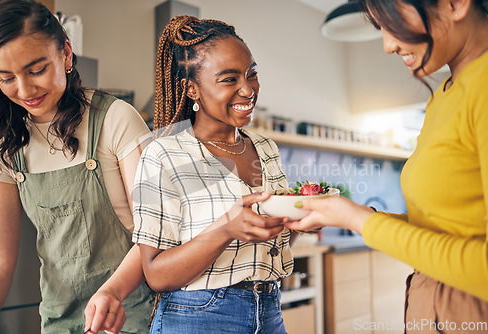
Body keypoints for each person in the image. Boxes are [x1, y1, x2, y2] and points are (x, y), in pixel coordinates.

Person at [285, 0, 488, 332]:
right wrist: (354, 215)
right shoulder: (443, 96)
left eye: (391, 22)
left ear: (456, 4)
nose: (388, 45)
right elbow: (447, 226)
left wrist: (360, 221)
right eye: (380, 29)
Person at [84, 15, 294, 334]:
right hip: (199, 317)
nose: (247, 89)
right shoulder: (165, 155)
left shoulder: (266, 148)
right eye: (229, 79)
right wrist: (225, 228)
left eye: (252, 74)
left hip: (269, 312)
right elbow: (155, 273)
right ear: (191, 88)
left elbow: (272, 243)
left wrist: (302, 220)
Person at [0, 0, 155, 332]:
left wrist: (112, 292)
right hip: (60, 320)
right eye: (6, 78)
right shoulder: (4, 144)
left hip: (132, 312)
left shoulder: (116, 119)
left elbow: (154, 234)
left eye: (36, 70)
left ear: (65, 53)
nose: (24, 90)